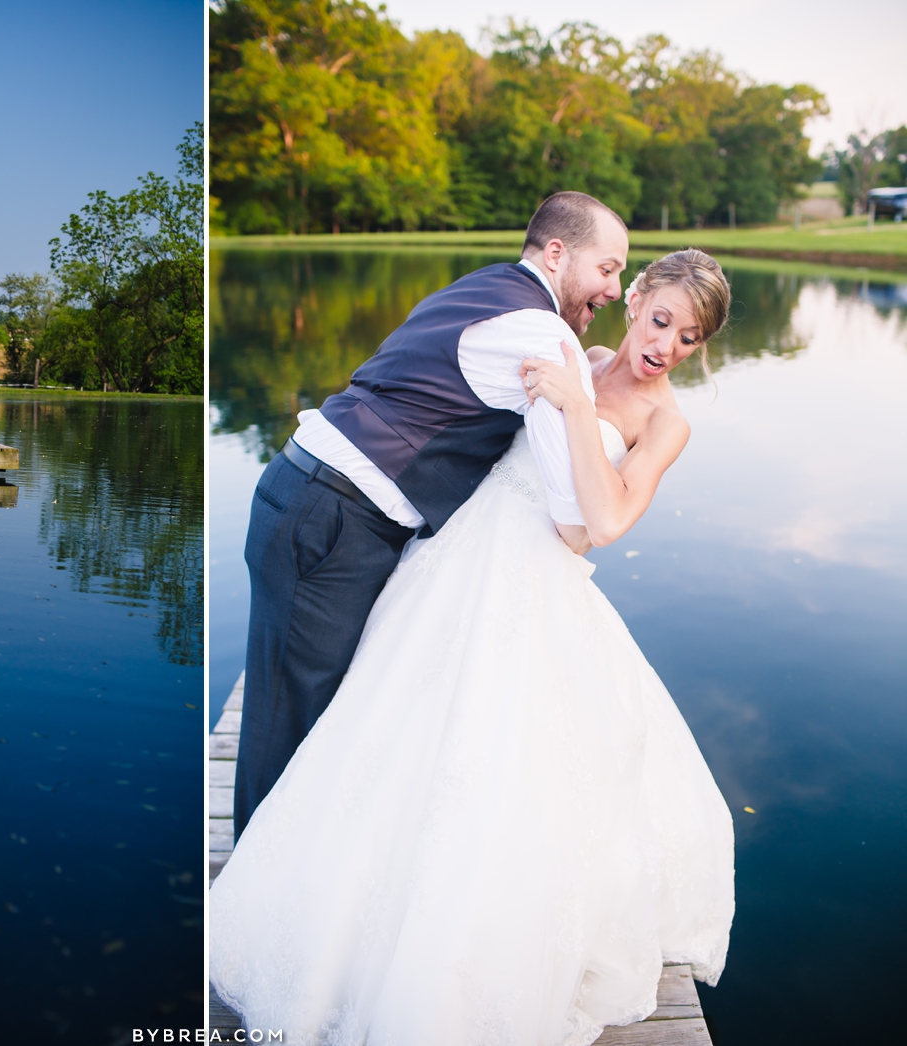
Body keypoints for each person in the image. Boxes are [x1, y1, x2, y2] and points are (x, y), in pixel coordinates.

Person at [210, 250, 736, 1045]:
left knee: (492, 769)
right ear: (635, 298)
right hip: (454, 560)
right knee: (388, 734)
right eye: (662, 320)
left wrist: (571, 408)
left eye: (690, 339)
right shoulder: (577, 354)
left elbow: (601, 523)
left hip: (532, 583)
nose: (667, 346)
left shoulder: (667, 422)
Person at [235, 192, 629, 836]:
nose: (613, 288)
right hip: (331, 519)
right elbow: (570, 510)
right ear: (557, 253)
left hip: (312, 497)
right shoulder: (544, 334)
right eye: (607, 268)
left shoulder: (484, 286)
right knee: (291, 731)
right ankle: (246, 903)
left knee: (299, 714)